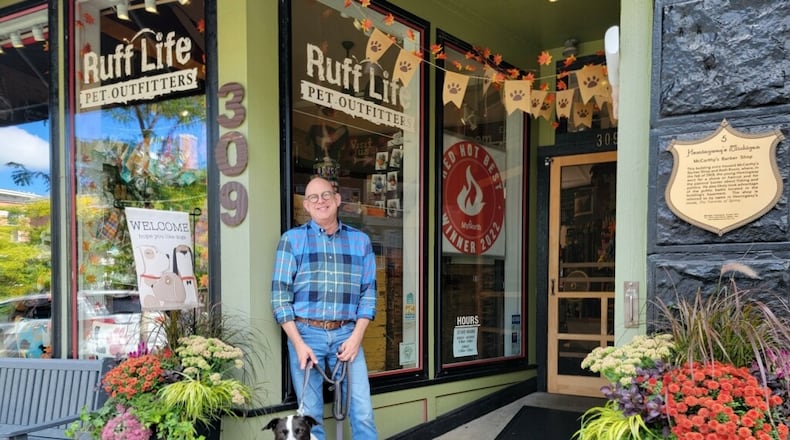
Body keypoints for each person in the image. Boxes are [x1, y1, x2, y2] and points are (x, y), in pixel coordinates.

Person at [271, 176, 378, 440]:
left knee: (362, 412)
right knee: (310, 418)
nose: (321, 202)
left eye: (326, 195)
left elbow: (368, 295)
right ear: (306, 205)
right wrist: (298, 343)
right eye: (313, 198)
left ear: (337, 199)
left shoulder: (360, 241)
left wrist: (356, 338)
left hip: (347, 336)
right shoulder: (292, 240)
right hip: (306, 336)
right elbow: (280, 299)